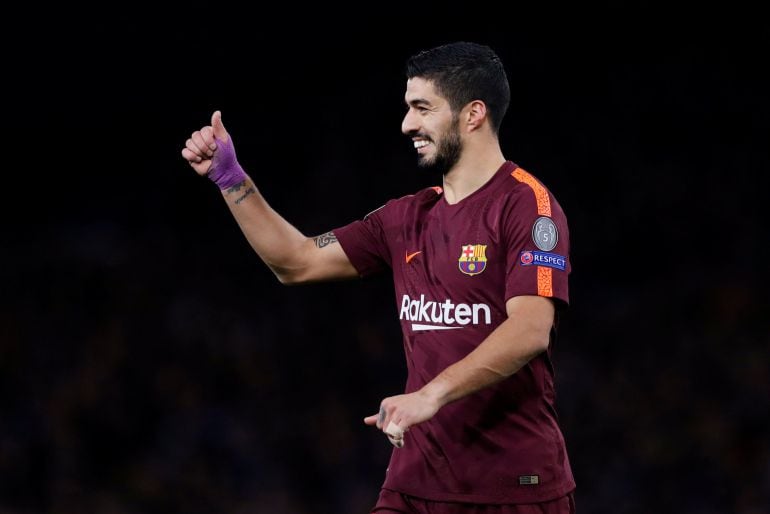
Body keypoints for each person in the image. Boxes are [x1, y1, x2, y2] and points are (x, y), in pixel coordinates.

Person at [181, 41, 576, 514]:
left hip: (513, 486)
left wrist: (431, 395)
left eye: (422, 108)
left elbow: (530, 329)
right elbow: (297, 260)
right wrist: (230, 179)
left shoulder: (526, 206)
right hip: (415, 482)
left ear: (473, 114)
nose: (407, 124)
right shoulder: (405, 217)